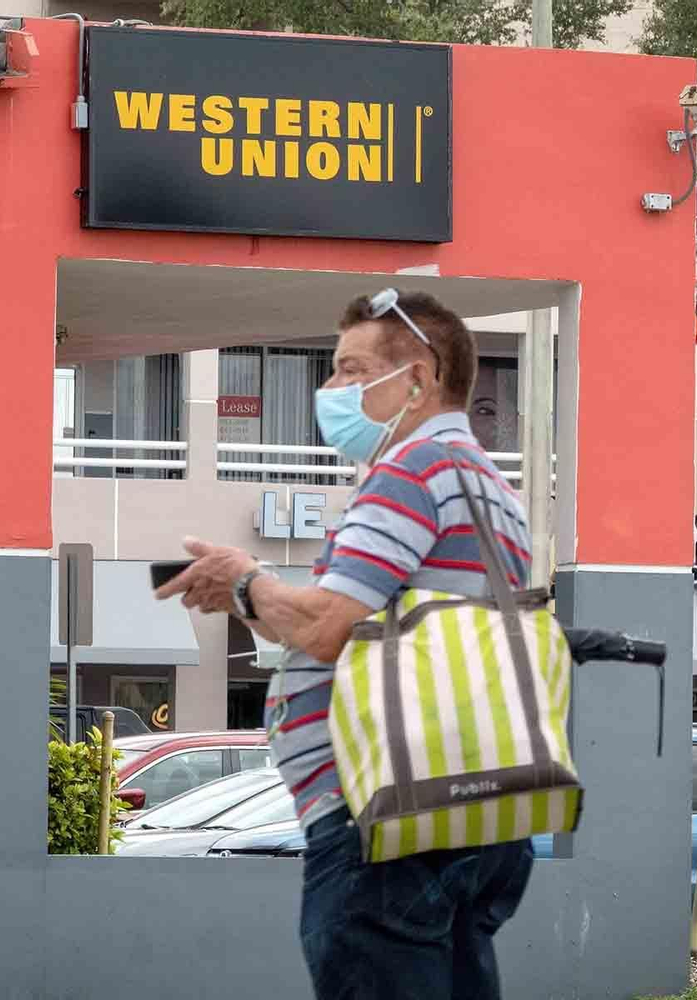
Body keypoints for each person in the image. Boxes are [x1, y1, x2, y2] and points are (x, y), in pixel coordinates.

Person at [155, 288, 535, 1000]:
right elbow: (365, 626)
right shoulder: (488, 488)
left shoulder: (411, 474)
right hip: (475, 803)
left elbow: (331, 629)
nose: (330, 390)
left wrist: (249, 579)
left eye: (351, 371)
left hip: (384, 815)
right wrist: (248, 596)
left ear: (417, 379)